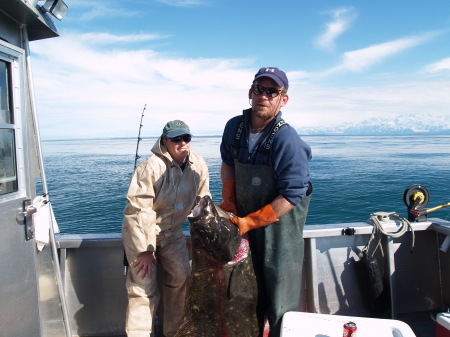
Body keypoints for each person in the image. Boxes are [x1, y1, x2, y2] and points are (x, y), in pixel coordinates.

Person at [219, 67, 312, 337]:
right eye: (260, 89)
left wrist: (249, 222)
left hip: (279, 232)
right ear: (251, 93)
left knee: (279, 299)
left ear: (283, 99)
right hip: (244, 225)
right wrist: (229, 201)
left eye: (273, 91)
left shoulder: (286, 139)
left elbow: (292, 195)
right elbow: (227, 163)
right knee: (243, 293)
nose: (264, 96)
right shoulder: (234, 127)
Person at [122, 120, 210, 337]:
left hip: (173, 233)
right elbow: (138, 210)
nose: (182, 143)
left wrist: (207, 233)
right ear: (165, 142)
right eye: (176, 139)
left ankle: (175, 333)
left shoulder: (198, 165)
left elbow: (203, 200)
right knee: (143, 289)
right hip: (142, 234)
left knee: (182, 280)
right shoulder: (150, 168)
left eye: (186, 138)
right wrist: (144, 250)